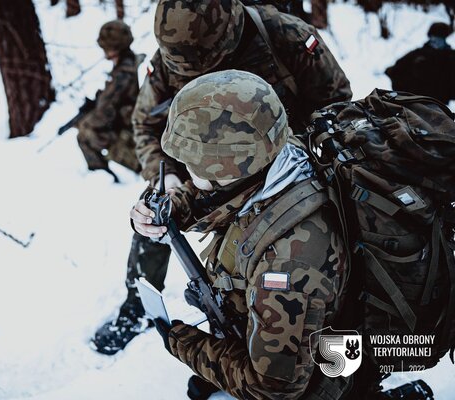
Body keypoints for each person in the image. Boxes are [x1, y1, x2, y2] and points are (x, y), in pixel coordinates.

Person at [91, 0, 352, 356]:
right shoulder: (174, 52)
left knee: (279, 258)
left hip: (282, 167)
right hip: (197, 165)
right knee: (154, 215)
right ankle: (137, 307)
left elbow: (336, 108)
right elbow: (145, 123)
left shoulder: (286, 37)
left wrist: (292, 161)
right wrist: (162, 177)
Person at [131, 70, 348, 400]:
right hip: (277, 328)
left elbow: (272, 387)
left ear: (227, 169)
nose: (185, 171)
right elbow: (215, 196)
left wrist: (182, 342)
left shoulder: (286, 264)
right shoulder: (277, 154)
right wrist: (162, 209)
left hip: (328, 364)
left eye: (192, 164)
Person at [76, 20, 141, 183]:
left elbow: (103, 115)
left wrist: (84, 121)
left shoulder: (122, 74)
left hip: (128, 133)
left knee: (84, 134)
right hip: (128, 126)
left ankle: (100, 178)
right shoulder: (129, 62)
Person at [385, 22, 455, 105]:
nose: (434, 41)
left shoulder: (451, 57)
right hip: (416, 102)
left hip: (439, 105)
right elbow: (394, 70)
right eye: (432, 37)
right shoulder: (418, 54)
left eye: (439, 38)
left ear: (444, 39)